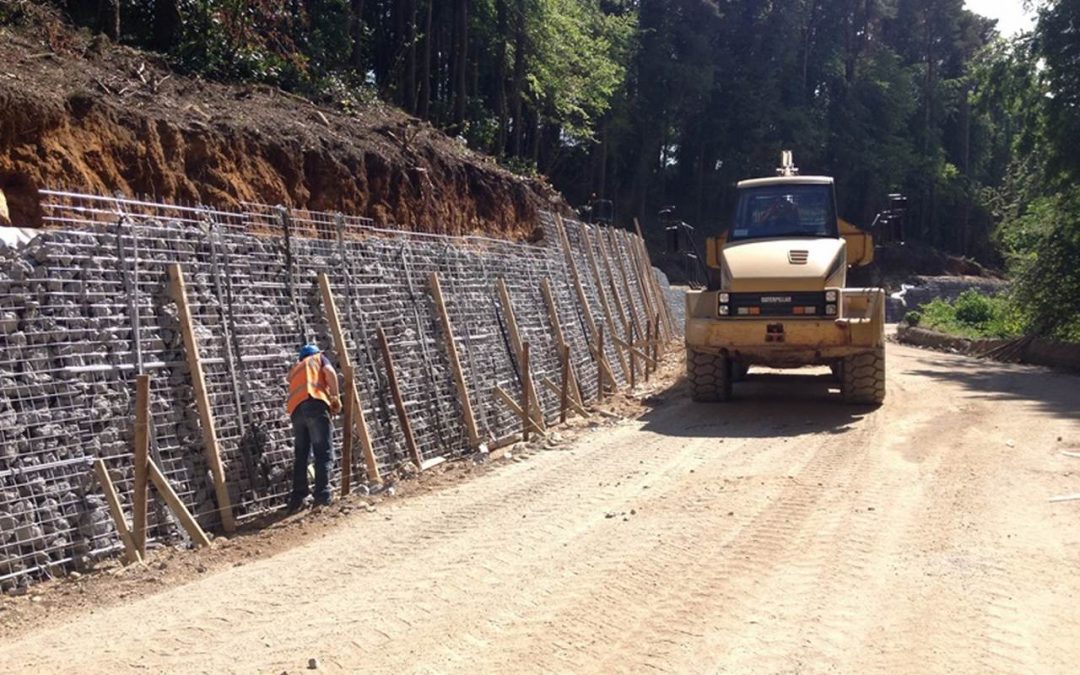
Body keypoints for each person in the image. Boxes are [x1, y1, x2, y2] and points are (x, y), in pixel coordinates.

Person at [286, 343, 342, 512]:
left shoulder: (297, 368)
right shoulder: (319, 358)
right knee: (322, 452)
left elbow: (290, 382)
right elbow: (330, 372)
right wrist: (335, 396)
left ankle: (297, 499)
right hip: (315, 404)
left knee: (301, 455)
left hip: (296, 411)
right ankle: (322, 497)